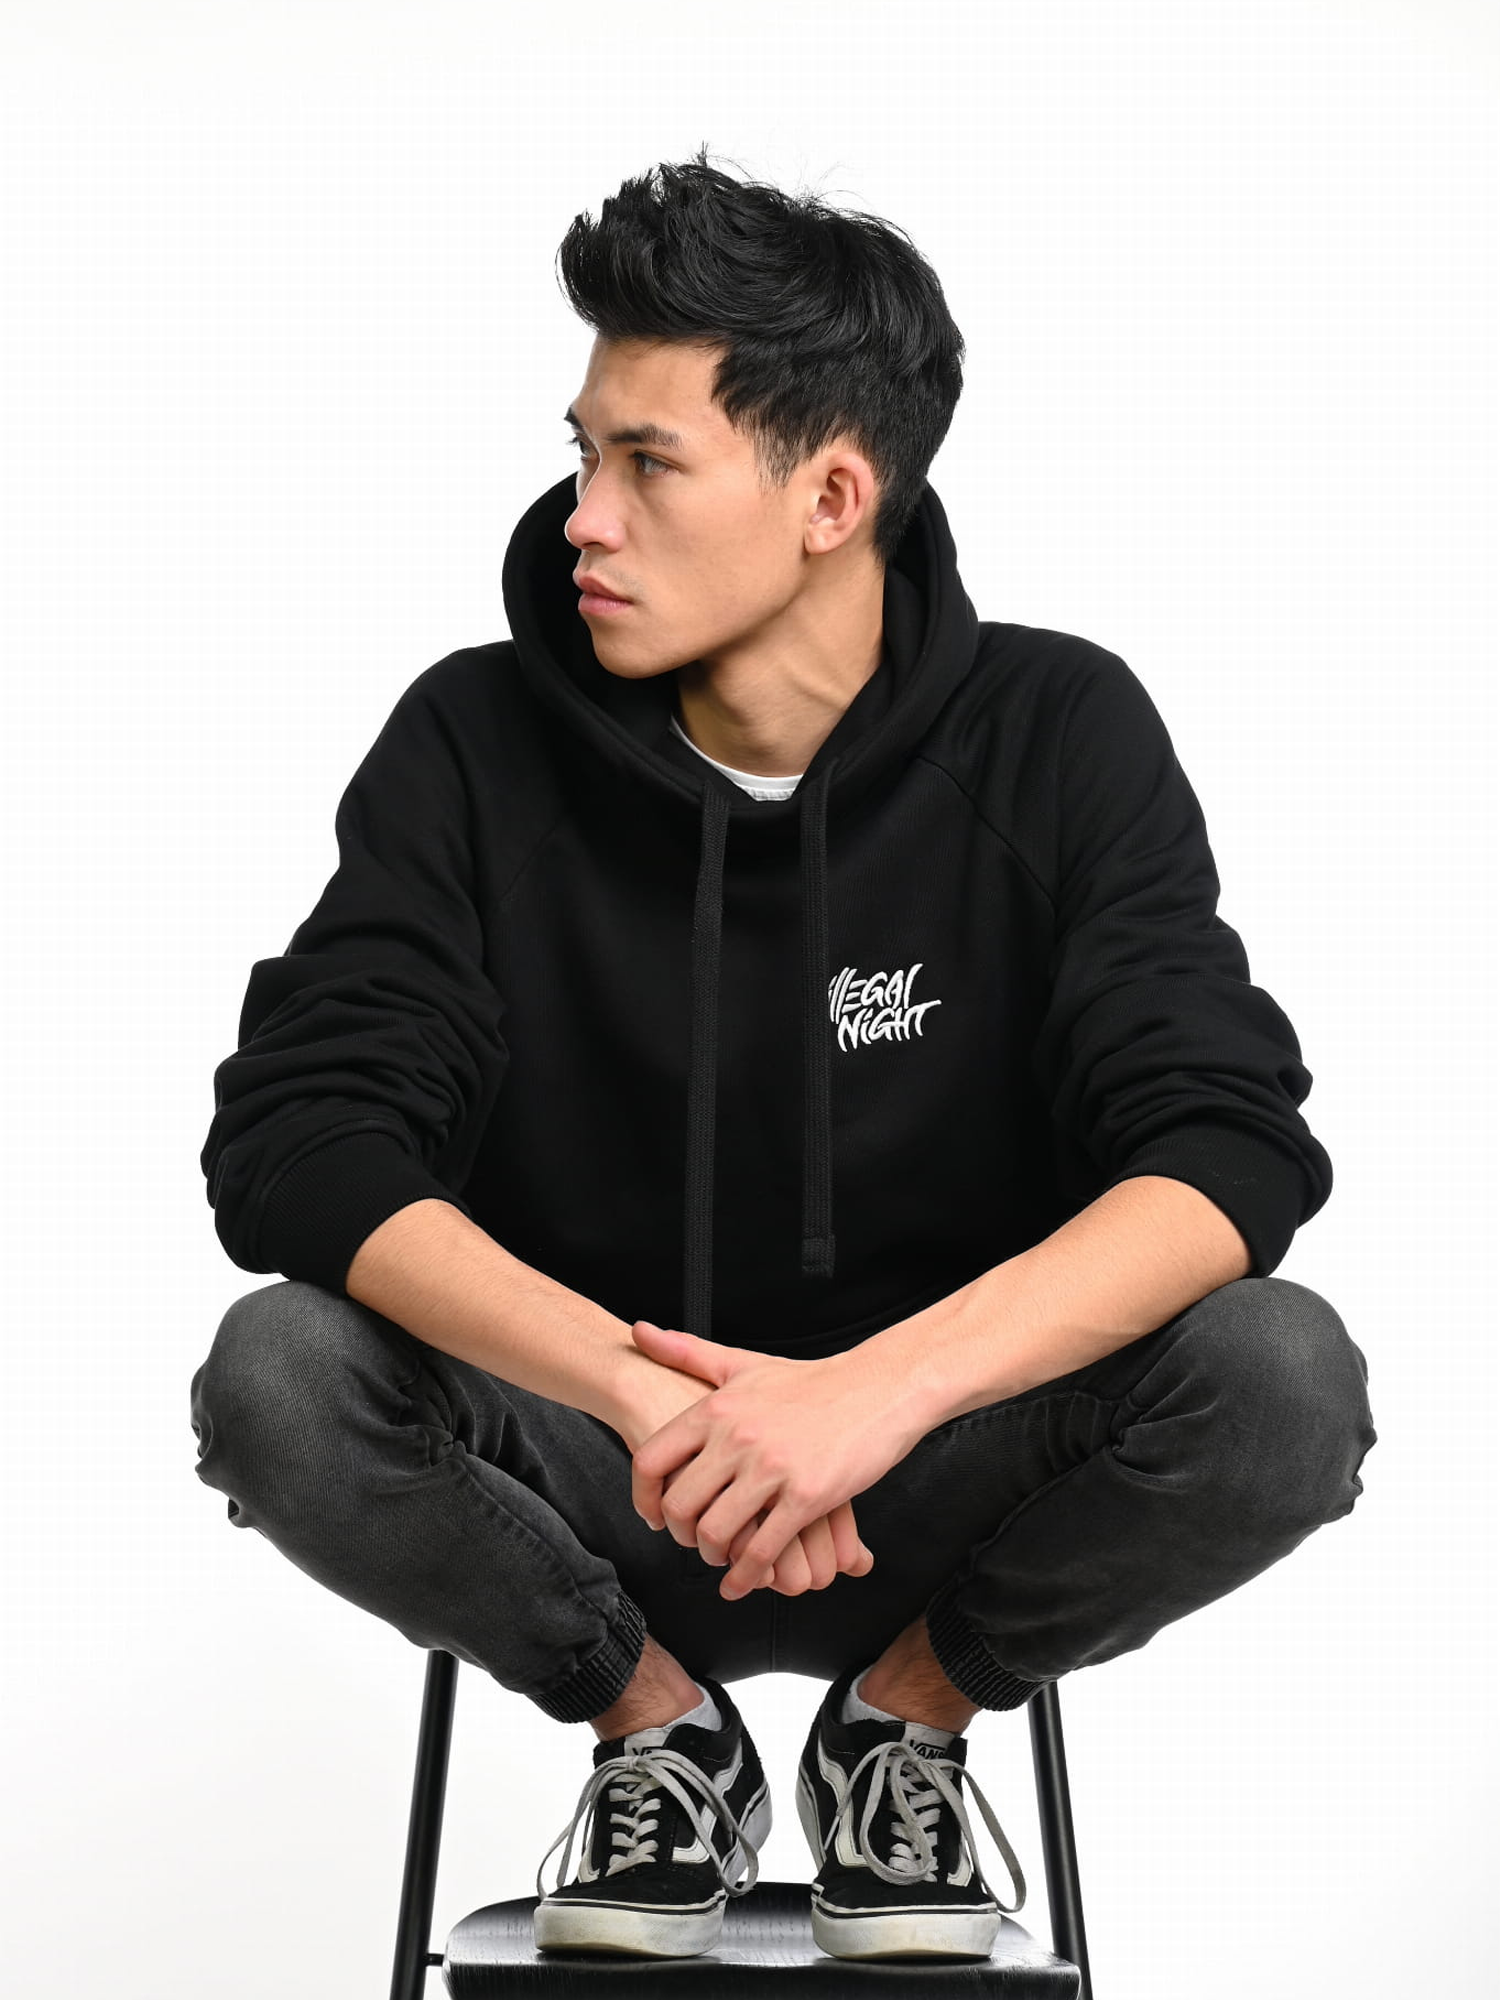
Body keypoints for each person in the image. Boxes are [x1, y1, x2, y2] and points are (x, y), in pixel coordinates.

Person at [189, 147, 1377, 1966]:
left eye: (645, 462)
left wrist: (868, 1398)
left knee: (1282, 1376)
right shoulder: (473, 741)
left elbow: (1222, 1150)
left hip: (944, 1478)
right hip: (591, 1473)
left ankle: (902, 1728)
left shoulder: (1058, 730)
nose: (581, 518)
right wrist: (653, 1399)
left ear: (832, 495)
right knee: (278, 1373)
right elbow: (303, 1142)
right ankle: (658, 1737)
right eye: (581, 453)